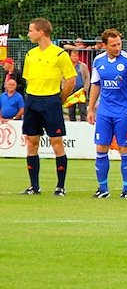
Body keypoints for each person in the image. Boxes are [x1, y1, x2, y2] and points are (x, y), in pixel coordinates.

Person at [20, 18, 77, 196]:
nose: (29, 34)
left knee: (56, 142)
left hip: (51, 101)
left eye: (31, 30)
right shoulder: (30, 54)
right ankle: (34, 186)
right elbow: (28, 78)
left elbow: (71, 80)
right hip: (32, 100)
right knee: (31, 142)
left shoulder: (60, 54)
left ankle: (60, 186)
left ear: (41, 32)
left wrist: (59, 99)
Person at [86, 29, 127, 198]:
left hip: (123, 112)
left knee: (124, 148)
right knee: (101, 148)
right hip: (104, 112)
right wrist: (91, 109)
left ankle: (126, 190)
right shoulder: (98, 61)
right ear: (104, 45)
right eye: (114, 45)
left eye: (119, 43)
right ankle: (103, 189)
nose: (118, 47)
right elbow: (96, 85)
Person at [66, 49, 90, 121]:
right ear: (70, 57)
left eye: (76, 56)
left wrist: (85, 88)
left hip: (80, 90)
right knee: (71, 110)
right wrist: (65, 88)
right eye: (73, 56)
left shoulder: (83, 66)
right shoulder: (67, 66)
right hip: (70, 90)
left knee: (83, 110)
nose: (74, 57)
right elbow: (63, 78)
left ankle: (83, 124)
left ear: (78, 57)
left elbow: (87, 77)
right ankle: (72, 124)